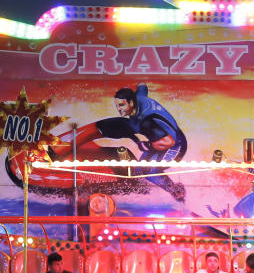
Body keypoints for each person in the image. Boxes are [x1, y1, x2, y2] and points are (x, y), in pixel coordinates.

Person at [47, 84, 188, 201]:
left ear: (131, 103)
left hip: (174, 145)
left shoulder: (146, 122)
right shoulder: (138, 100)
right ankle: (54, 150)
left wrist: (148, 145)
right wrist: (141, 85)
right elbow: (142, 90)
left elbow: (167, 141)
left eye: (122, 105)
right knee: (137, 170)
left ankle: (176, 192)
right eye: (117, 105)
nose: (119, 109)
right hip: (157, 139)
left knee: (149, 170)